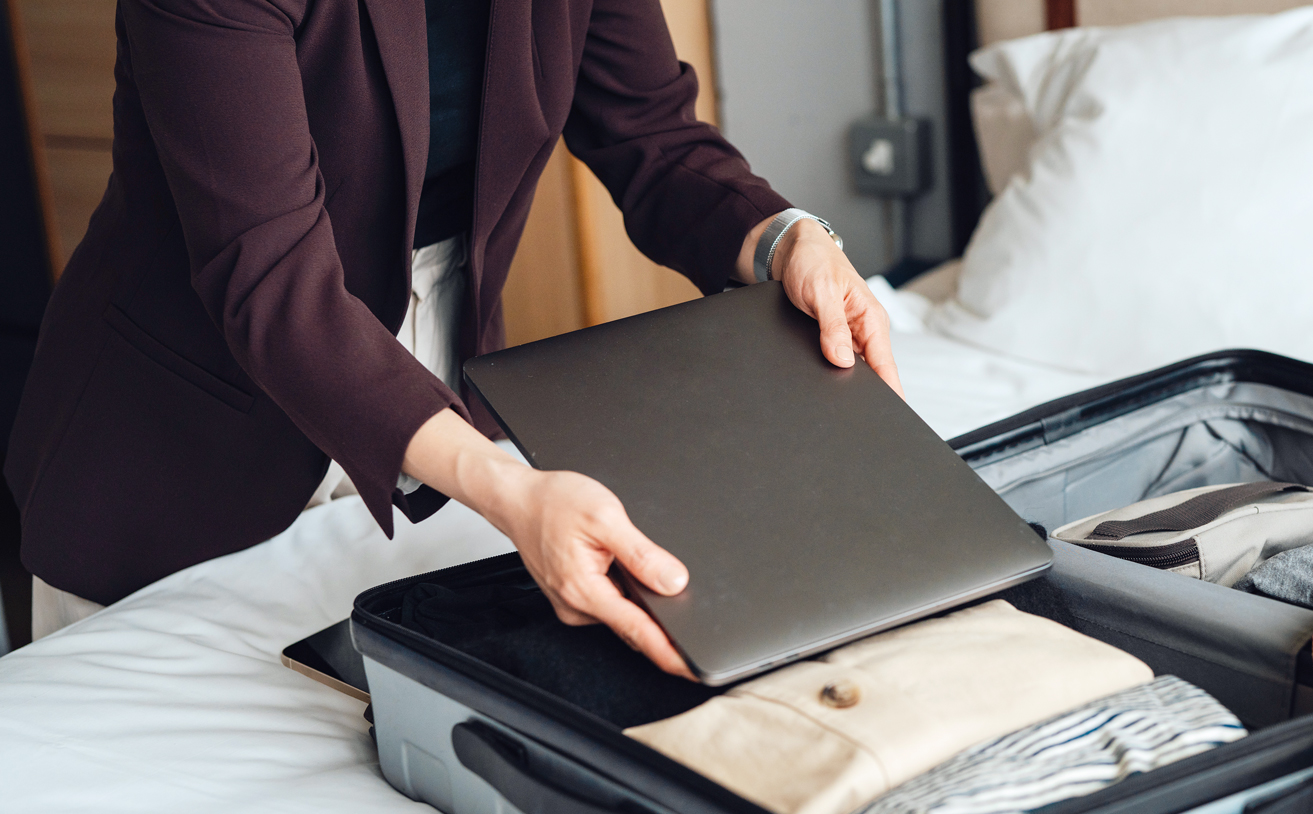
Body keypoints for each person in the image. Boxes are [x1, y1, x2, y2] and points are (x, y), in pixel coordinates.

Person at [3, 0, 900, 675]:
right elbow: (269, 277)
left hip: (432, 411)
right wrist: (510, 490)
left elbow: (653, 137)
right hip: (183, 457)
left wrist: (789, 241)